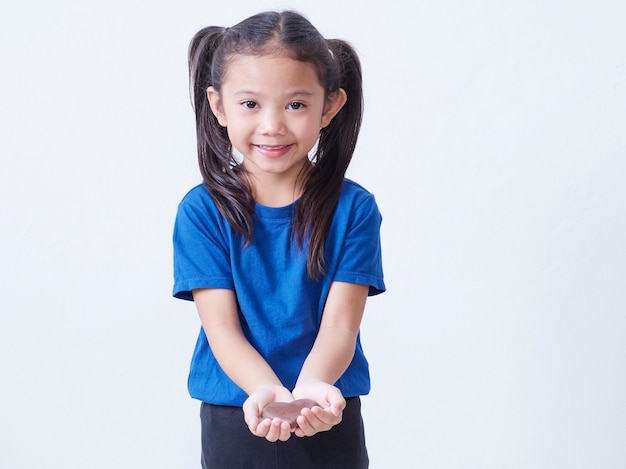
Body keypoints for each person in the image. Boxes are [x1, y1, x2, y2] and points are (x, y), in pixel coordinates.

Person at [172, 10, 385, 468]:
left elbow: (340, 326)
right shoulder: (201, 211)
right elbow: (222, 328)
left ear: (329, 106)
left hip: (327, 408)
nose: (272, 125)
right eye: (251, 104)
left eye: (295, 104)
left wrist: (308, 393)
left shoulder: (355, 209)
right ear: (218, 105)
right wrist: (266, 392)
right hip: (237, 412)